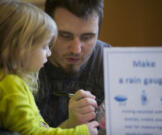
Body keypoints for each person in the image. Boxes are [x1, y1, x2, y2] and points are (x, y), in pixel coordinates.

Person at [0, 0, 99, 135]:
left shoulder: (16, 83)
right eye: (44, 46)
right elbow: (33, 133)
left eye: (87, 37)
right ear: (21, 48)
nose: (49, 52)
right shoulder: (11, 85)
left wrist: (71, 124)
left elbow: (41, 128)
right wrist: (81, 132)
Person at [35, 0, 111, 129]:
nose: (76, 50)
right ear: (47, 28)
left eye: (87, 37)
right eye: (65, 36)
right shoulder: (23, 61)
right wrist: (71, 125)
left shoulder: (110, 62)